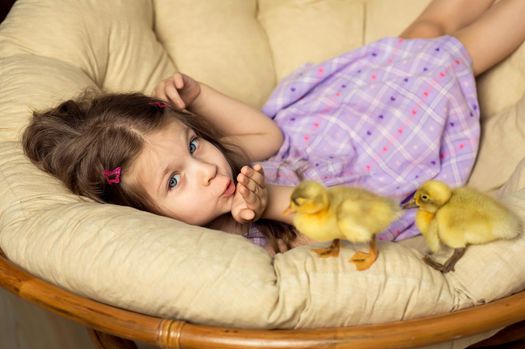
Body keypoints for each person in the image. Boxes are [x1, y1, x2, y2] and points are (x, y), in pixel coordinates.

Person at [23, 0, 525, 255]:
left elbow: (272, 139)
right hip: (372, 155)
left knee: (419, 38)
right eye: (174, 180)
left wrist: (200, 97)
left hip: (338, 118)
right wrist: (267, 204)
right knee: (445, 58)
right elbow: (334, 227)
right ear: (146, 213)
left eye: (194, 144)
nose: (204, 168)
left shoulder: (225, 169)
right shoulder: (231, 241)